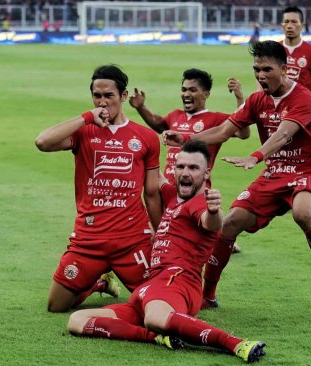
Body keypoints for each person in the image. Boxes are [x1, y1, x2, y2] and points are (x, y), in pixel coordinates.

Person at [163, 41, 311, 316]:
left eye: (267, 69)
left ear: (286, 69)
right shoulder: (257, 100)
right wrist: (185, 139)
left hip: (305, 170)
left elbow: (284, 133)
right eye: (256, 69)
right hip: (274, 174)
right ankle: (208, 294)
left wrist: (255, 156)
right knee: (229, 224)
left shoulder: (302, 98)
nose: (260, 75)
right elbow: (223, 130)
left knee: (303, 213)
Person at [67, 140, 266, 363]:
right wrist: (133, 143)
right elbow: (156, 175)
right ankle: (154, 338)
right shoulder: (173, 194)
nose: (185, 173)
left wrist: (214, 210)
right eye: (180, 167)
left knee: (155, 317)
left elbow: (212, 223)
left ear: (206, 172)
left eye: (193, 168)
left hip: (178, 281)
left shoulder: (200, 203)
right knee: (77, 320)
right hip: (151, 287)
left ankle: (235, 343)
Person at [35, 65, 163, 313]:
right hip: (88, 239)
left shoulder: (146, 137)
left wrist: (159, 234)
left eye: (109, 95)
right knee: (56, 305)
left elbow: (151, 192)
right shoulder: (83, 131)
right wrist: (85, 117)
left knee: (155, 303)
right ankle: (98, 283)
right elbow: (42, 142)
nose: (102, 102)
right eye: (97, 96)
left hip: (132, 239)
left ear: (124, 96)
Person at [128, 68, 249, 307]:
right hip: (168, 190)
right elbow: (157, 123)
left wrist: (239, 99)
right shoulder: (175, 116)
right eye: (184, 89)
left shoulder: (215, 119)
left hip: (195, 193)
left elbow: (243, 131)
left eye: (193, 89)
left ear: (205, 93)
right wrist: (141, 107)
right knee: (163, 238)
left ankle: (194, 287)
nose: (186, 94)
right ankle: (162, 282)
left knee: (192, 242)